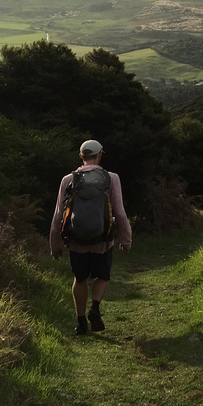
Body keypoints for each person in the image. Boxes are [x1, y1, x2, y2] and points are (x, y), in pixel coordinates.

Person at [49, 139, 132, 335]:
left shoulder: (68, 179)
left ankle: (80, 322)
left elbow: (58, 216)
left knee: (80, 278)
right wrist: (125, 240)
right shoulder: (111, 178)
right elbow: (119, 213)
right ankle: (94, 308)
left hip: (76, 241)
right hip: (102, 241)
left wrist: (56, 244)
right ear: (100, 154)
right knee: (102, 276)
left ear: (81, 156)